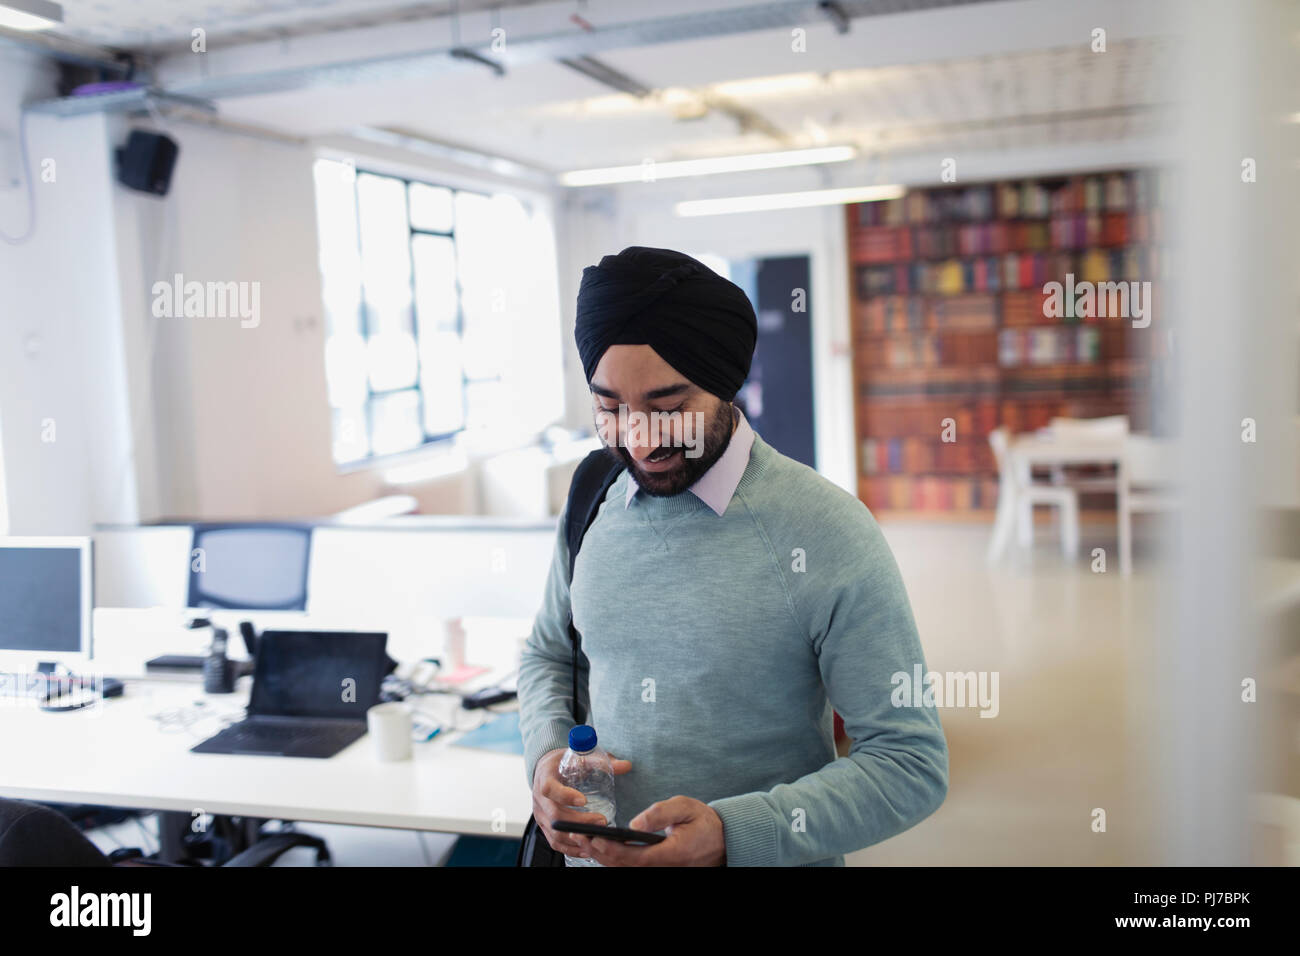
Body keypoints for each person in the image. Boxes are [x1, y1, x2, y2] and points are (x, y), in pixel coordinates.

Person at [518, 246, 948, 866]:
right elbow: (547, 653)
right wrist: (545, 756)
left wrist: (732, 832)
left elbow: (911, 764)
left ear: (726, 384)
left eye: (667, 409)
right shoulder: (592, 496)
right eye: (610, 409)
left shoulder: (825, 529)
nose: (638, 440)